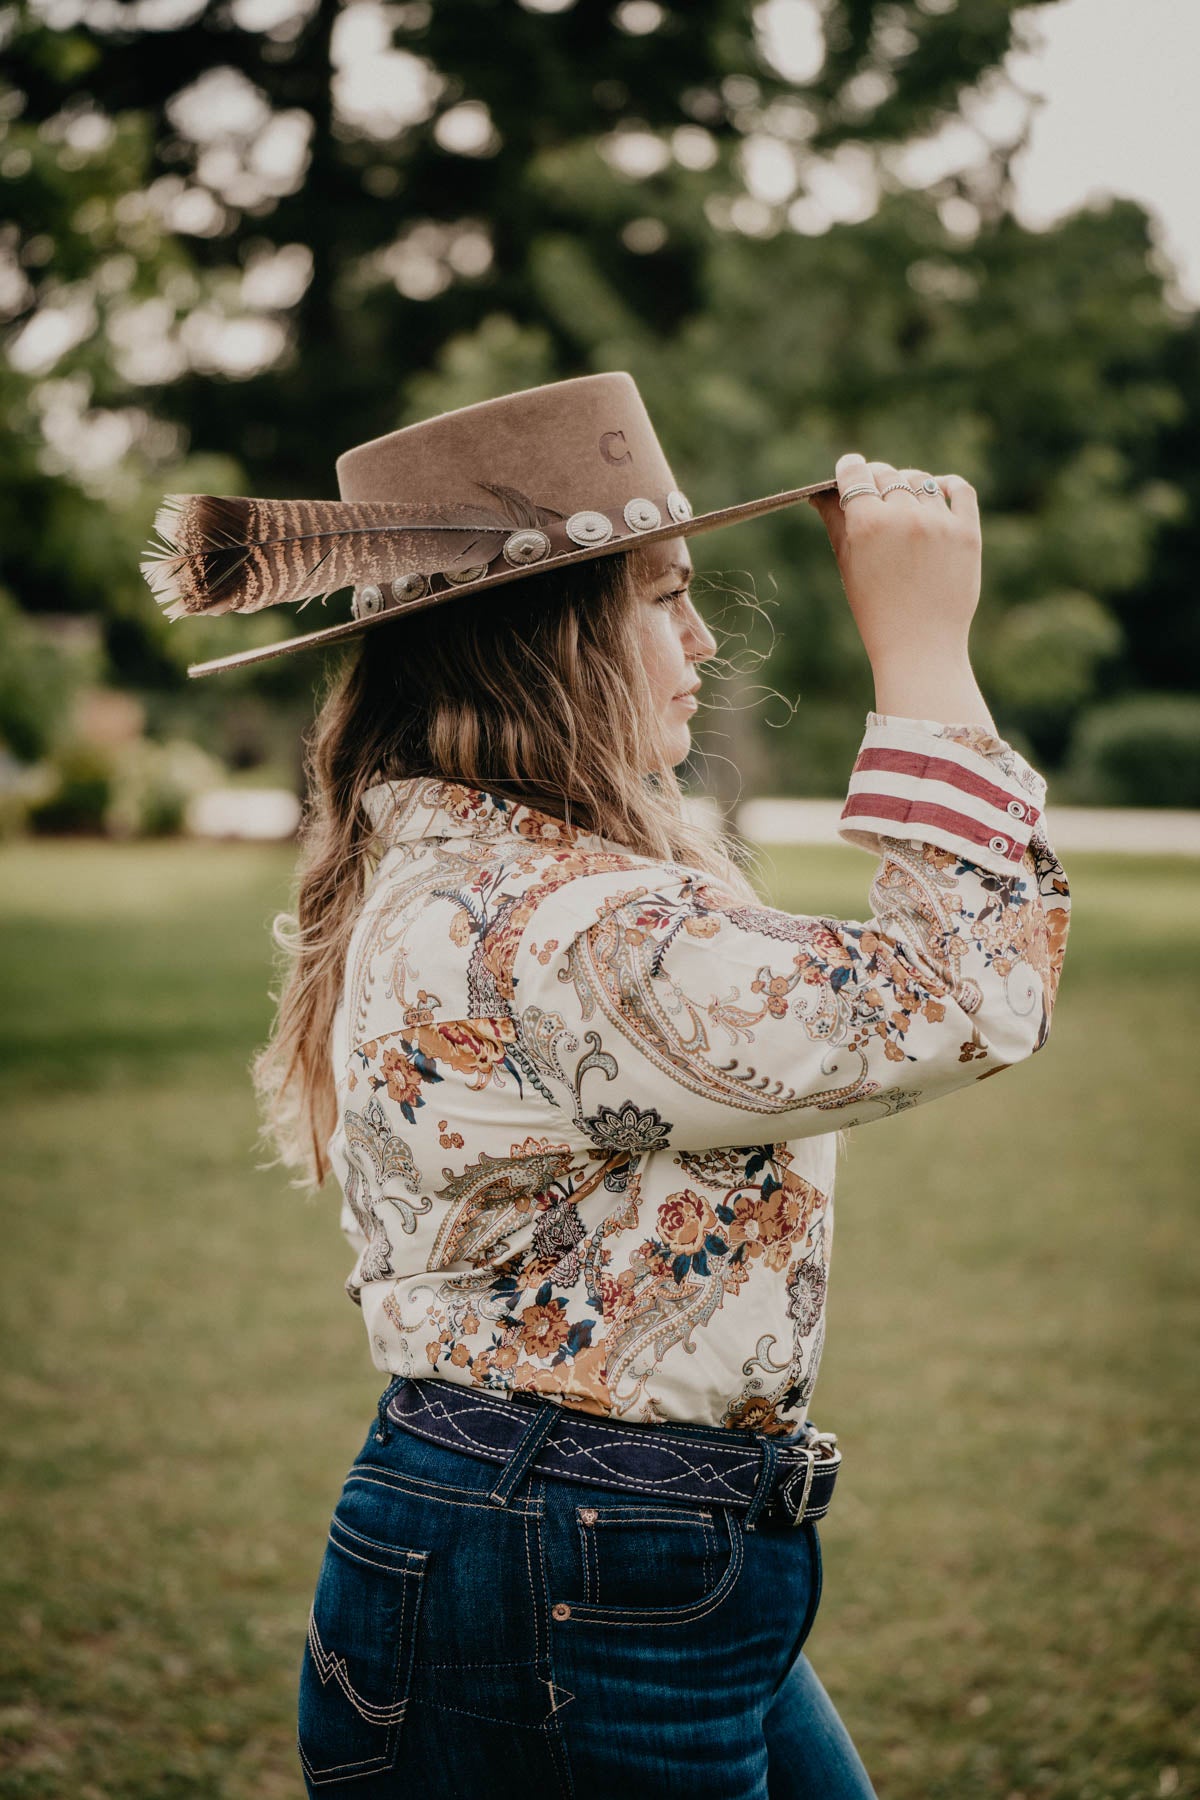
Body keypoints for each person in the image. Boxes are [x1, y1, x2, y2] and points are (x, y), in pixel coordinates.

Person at [142, 372, 1071, 1798]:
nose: (701, 641)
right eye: (660, 597)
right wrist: (929, 661)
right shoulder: (559, 931)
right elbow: (962, 992)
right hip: (565, 1576)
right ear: (544, 641)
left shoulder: (501, 881)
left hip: (602, 1557)